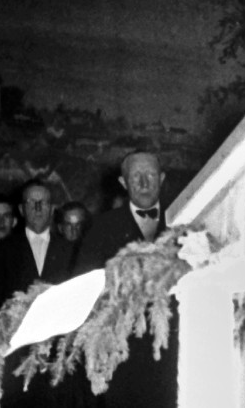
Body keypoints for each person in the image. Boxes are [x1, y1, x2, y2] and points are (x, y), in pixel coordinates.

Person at [73, 150, 177, 408]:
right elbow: (84, 286)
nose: (143, 182)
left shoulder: (183, 220)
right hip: (122, 356)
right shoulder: (102, 227)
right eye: (135, 176)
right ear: (123, 183)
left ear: (162, 178)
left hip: (174, 351)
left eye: (150, 175)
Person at [0, 179, 77, 408]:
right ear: (21, 209)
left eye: (43, 202)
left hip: (57, 362)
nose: (37, 208)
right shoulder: (1, 250)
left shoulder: (70, 250)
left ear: (52, 208)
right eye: (31, 202)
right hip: (15, 361)